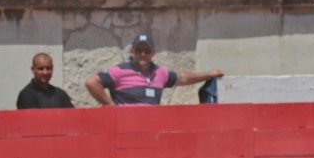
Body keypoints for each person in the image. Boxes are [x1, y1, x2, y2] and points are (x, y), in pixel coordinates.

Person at [85, 33, 224, 106]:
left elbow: (182, 78)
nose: (143, 54)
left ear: (153, 52)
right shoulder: (119, 71)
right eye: (139, 50)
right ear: (132, 51)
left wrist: (207, 74)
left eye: (146, 50)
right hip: (124, 128)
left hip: (150, 129)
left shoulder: (160, 73)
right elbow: (92, 82)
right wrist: (110, 105)